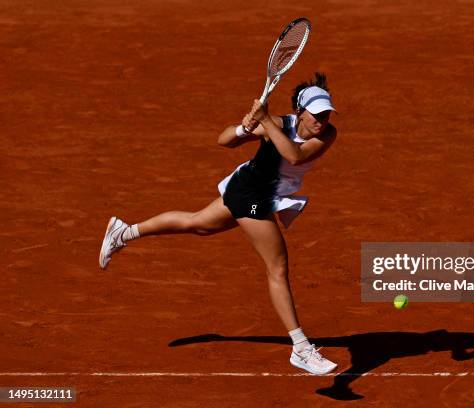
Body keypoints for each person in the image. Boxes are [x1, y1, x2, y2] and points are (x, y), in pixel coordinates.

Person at [98, 72, 338, 375]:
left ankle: (124, 232)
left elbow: (295, 154)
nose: (323, 120)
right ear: (299, 112)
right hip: (252, 194)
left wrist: (264, 123)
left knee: (198, 224)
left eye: (326, 113)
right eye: (316, 114)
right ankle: (301, 348)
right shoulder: (277, 124)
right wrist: (244, 127)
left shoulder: (325, 134)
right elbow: (223, 140)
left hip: (253, 190)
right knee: (276, 267)